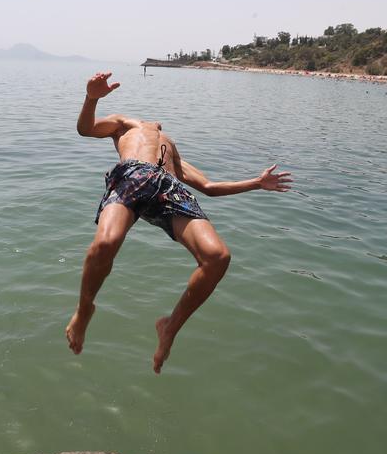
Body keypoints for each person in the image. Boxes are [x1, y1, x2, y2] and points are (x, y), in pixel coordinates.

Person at [65, 72, 292, 373]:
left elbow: (209, 187)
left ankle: (170, 327)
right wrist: (91, 98)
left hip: (168, 189)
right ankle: (84, 311)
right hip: (133, 175)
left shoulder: (171, 148)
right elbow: (86, 129)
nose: (156, 122)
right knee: (105, 243)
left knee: (217, 258)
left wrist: (256, 183)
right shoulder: (126, 125)